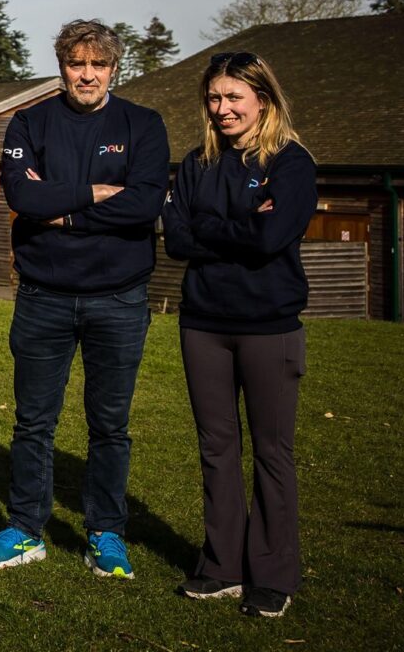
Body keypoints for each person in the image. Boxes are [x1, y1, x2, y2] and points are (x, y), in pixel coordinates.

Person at [0, 20, 168, 579]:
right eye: (76, 63)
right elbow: (23, 195)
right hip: (44, 297)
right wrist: (92, 194)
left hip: (119, 297)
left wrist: (63, 212)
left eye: (98, 64)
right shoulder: (30, 121)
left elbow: (144, 205)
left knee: (110, 423)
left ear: (114, 68)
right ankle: (25, 529)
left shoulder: (143, 125)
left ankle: (106, 531)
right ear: (62, 65)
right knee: (34, 421)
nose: (87, 74)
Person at [162, 52, 315, 619]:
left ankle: (272, 576)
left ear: (263, 101)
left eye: (234, 98)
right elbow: (176, 238)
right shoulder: (197, 163)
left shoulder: (291, 163)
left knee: (272, 453)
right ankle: (222, 566)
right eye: (215, 98)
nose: (222, 109)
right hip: (202, 323)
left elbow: (271, 236)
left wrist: (214, 225)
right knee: (217, 449)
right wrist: (242, 222)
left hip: (269, 328)